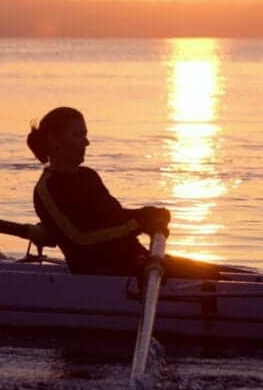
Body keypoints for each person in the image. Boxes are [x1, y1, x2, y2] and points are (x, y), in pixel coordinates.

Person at [27, 106, 218, 280]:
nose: (86, 142)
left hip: (136, 261)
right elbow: (83, 237)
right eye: (78, 135)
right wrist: (140, 223)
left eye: (85, 135)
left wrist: (147, 214)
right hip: (101, 274)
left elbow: (115, 217)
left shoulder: (88, 176)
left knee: (211, 273)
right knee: (206, 277)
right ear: (54, 140)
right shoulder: (48, 189)